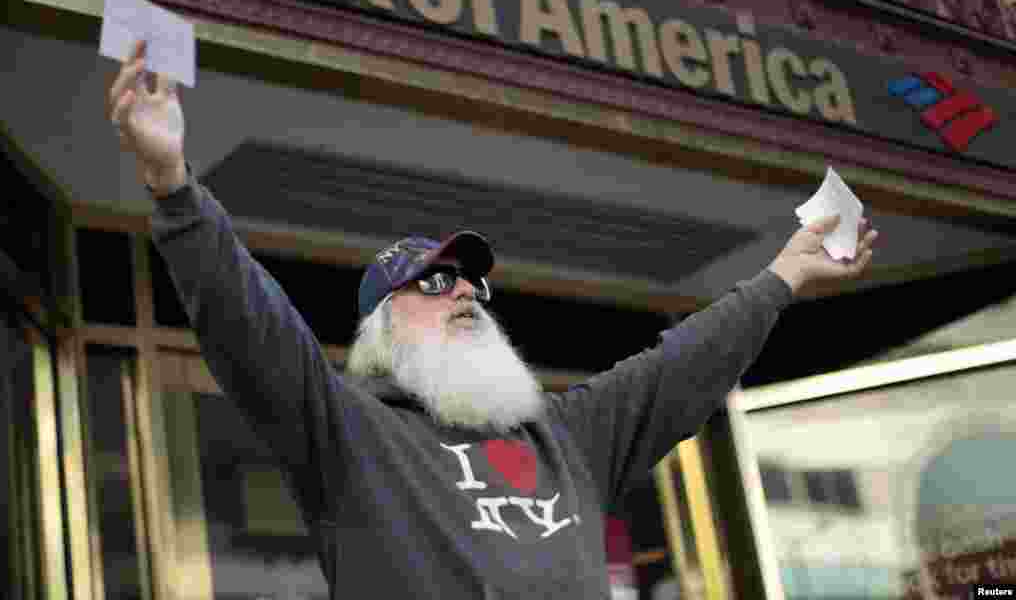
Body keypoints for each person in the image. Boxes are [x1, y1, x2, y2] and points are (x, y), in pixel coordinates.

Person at [108, 40, 877, 599]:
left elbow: (679, 368)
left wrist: (782, 277)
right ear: (382, 328)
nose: (467, 292)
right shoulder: (350, 436)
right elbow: (250, 327)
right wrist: (174, 185)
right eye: (437, 282)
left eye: (473, 281)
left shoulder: (566, 440)